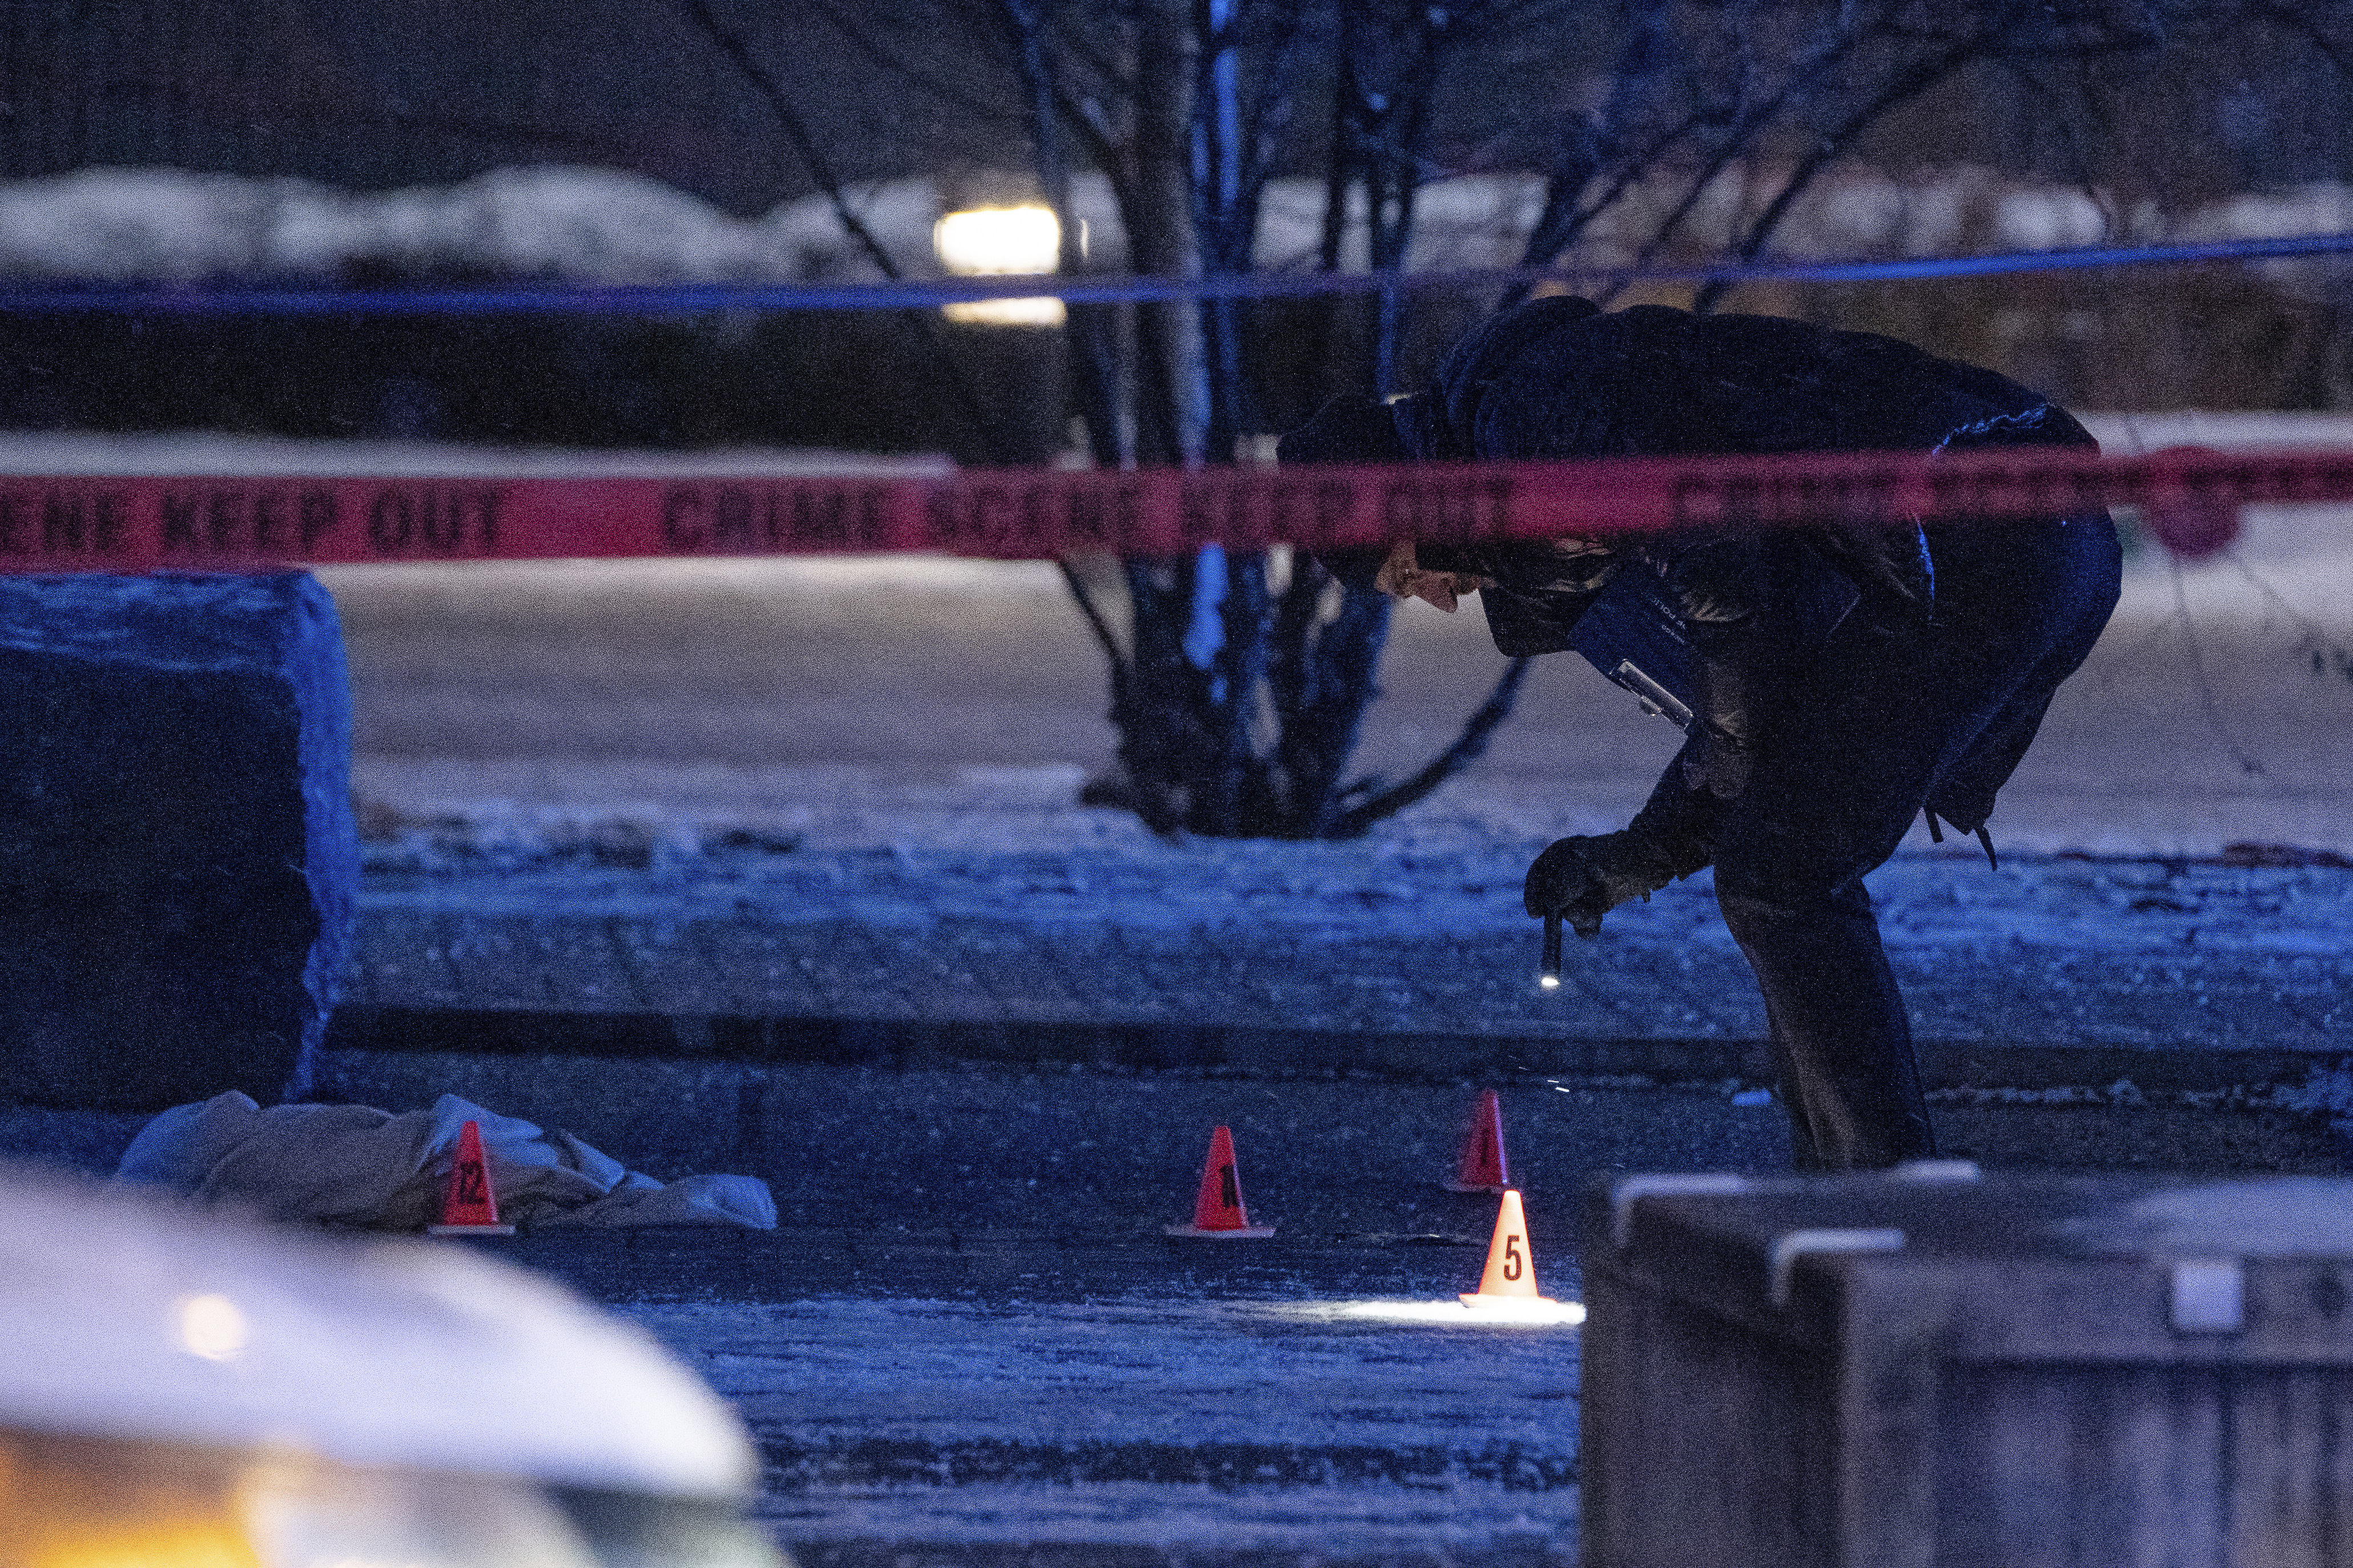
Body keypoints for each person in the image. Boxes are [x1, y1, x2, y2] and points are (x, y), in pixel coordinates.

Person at [1278, 296, 2122, 1169]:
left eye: (1408, 571)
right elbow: (1763, 710)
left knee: (1781, 876)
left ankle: (1885, 1206)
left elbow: (1728, 596)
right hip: (2033, 526)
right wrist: (1636, 855)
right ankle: (1837, 1199)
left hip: (1984, 529)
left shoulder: (1533, 422)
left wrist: (1727, 767)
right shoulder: (1544, 450)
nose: (1440, 597)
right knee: (1783, 870)